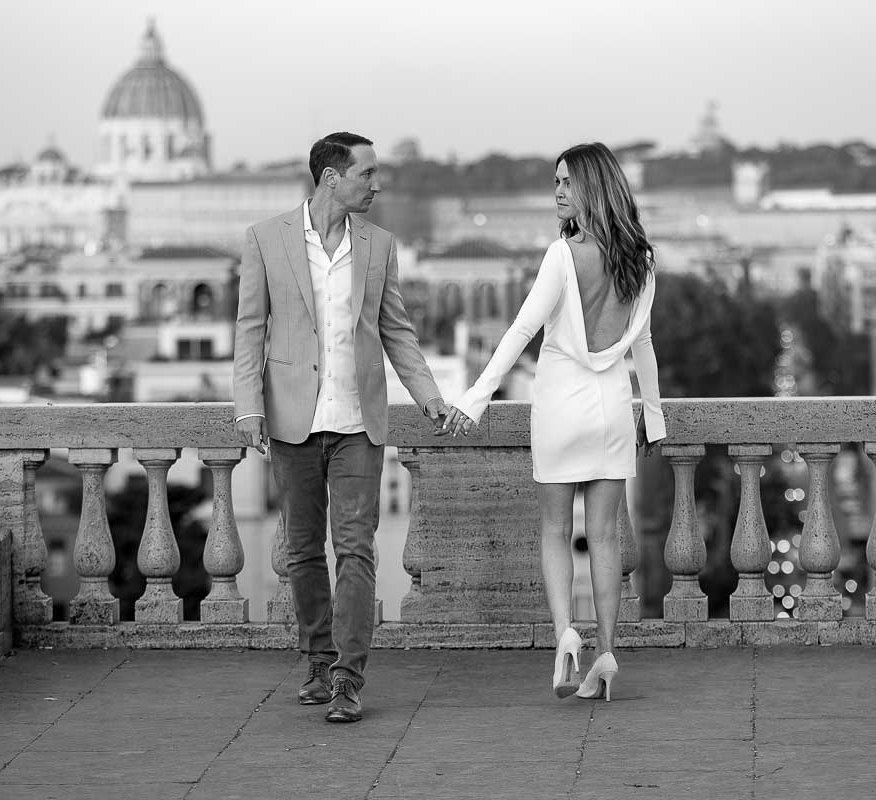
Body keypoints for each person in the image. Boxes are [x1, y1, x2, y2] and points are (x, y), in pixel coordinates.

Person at [233, 132, 450, 723]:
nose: (377, 184)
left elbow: (397, 330)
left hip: (359, 423)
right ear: (332, 177)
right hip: (292, 422)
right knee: (303, 552)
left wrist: (428, 396)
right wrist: (248, 408)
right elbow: (250, 330)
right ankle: (317, 661)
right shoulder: (265, 239)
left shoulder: (379, 245)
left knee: (356, 550)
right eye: (368, 173)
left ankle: (348, 679)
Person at [446, 142, 665, 702]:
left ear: (592, 186)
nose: (558, 191)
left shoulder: (562, 256)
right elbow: (643, 347)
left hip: (562, 407)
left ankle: (566, 632)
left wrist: (475, 400)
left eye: (567, 181)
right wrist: (656, 418)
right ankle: (607, 652)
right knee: (608, 536)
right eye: (556, 181)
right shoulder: (640, 260)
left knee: (554, 531)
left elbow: (520, 331)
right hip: (613, 409)